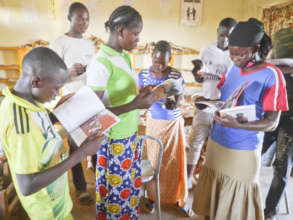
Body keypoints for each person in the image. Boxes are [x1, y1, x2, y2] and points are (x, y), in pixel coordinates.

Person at [192, 18, 288, 220]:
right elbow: (226, 101)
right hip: (217, 144)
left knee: (235, 207)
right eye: (231, 53)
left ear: (256, 48)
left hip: (243, 151)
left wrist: (239, 125)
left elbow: (272, 122)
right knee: (212, 203)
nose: (235, 59)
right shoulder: (233, 68)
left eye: (241, 54)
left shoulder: (272, 75)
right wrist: (207, 102)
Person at [0, 47, 104, 220]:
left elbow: (39, 131)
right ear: (36, 81)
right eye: (56, 89)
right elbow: (27, 185)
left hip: (56, 200)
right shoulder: (21, 126)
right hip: (48, 211)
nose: (56, 95)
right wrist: (83, 153)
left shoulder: (24, 100)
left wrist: (57, 111)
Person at [86, 5, 155, 219]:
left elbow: (122, 94)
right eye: (135, 34)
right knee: (116, 195)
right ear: (121, 31)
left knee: (128, 191)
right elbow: (94, 113)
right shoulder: (101, 63)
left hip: (128, 134)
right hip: (114, 139)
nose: (138, 39)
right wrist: (135, 104)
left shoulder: (122, 56)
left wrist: (140, 93)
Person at [138, 41, 193, 216]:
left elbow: (181, 99)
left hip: (173, 124)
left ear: (170, 60)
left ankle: (178, 199)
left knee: (175, 163)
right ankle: (153, 198)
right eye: (156, 61)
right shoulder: (144, 74)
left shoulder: (175, 74)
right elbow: (140, 96)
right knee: (156, 164)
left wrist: (175, 103)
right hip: (154, 123)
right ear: (151, 57)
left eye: (163, 62)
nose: (159, 66)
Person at [50, 2, 96, 205]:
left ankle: (100, 180)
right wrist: (67, 73)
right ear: (69, 18)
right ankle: (80, 187)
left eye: (86, 18)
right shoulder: (59, 43)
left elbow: (94, 72)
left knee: (95, 141)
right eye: (79, 18)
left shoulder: (88, 44)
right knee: (75, 145)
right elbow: (50, 76)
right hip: (70, 101)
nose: (83, 23)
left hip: (90, 99)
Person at [187, 17, 237, 188]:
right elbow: (198, 76)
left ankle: (209, 180)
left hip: (224, 107)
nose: (225, 39)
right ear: (217, 31)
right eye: (222, 35)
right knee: (196, 141)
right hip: (205, 102)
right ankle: (188, 180)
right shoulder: (206, 50)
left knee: (218, 146)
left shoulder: (236, 54)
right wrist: (197, 74)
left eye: (230, 36)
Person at [261, 27, 293, 220]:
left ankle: (270, 211)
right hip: (270, 117)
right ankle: (242, 198)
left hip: (289, 122)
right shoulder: (272, 69)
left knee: (281, 167)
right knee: (251, 155)